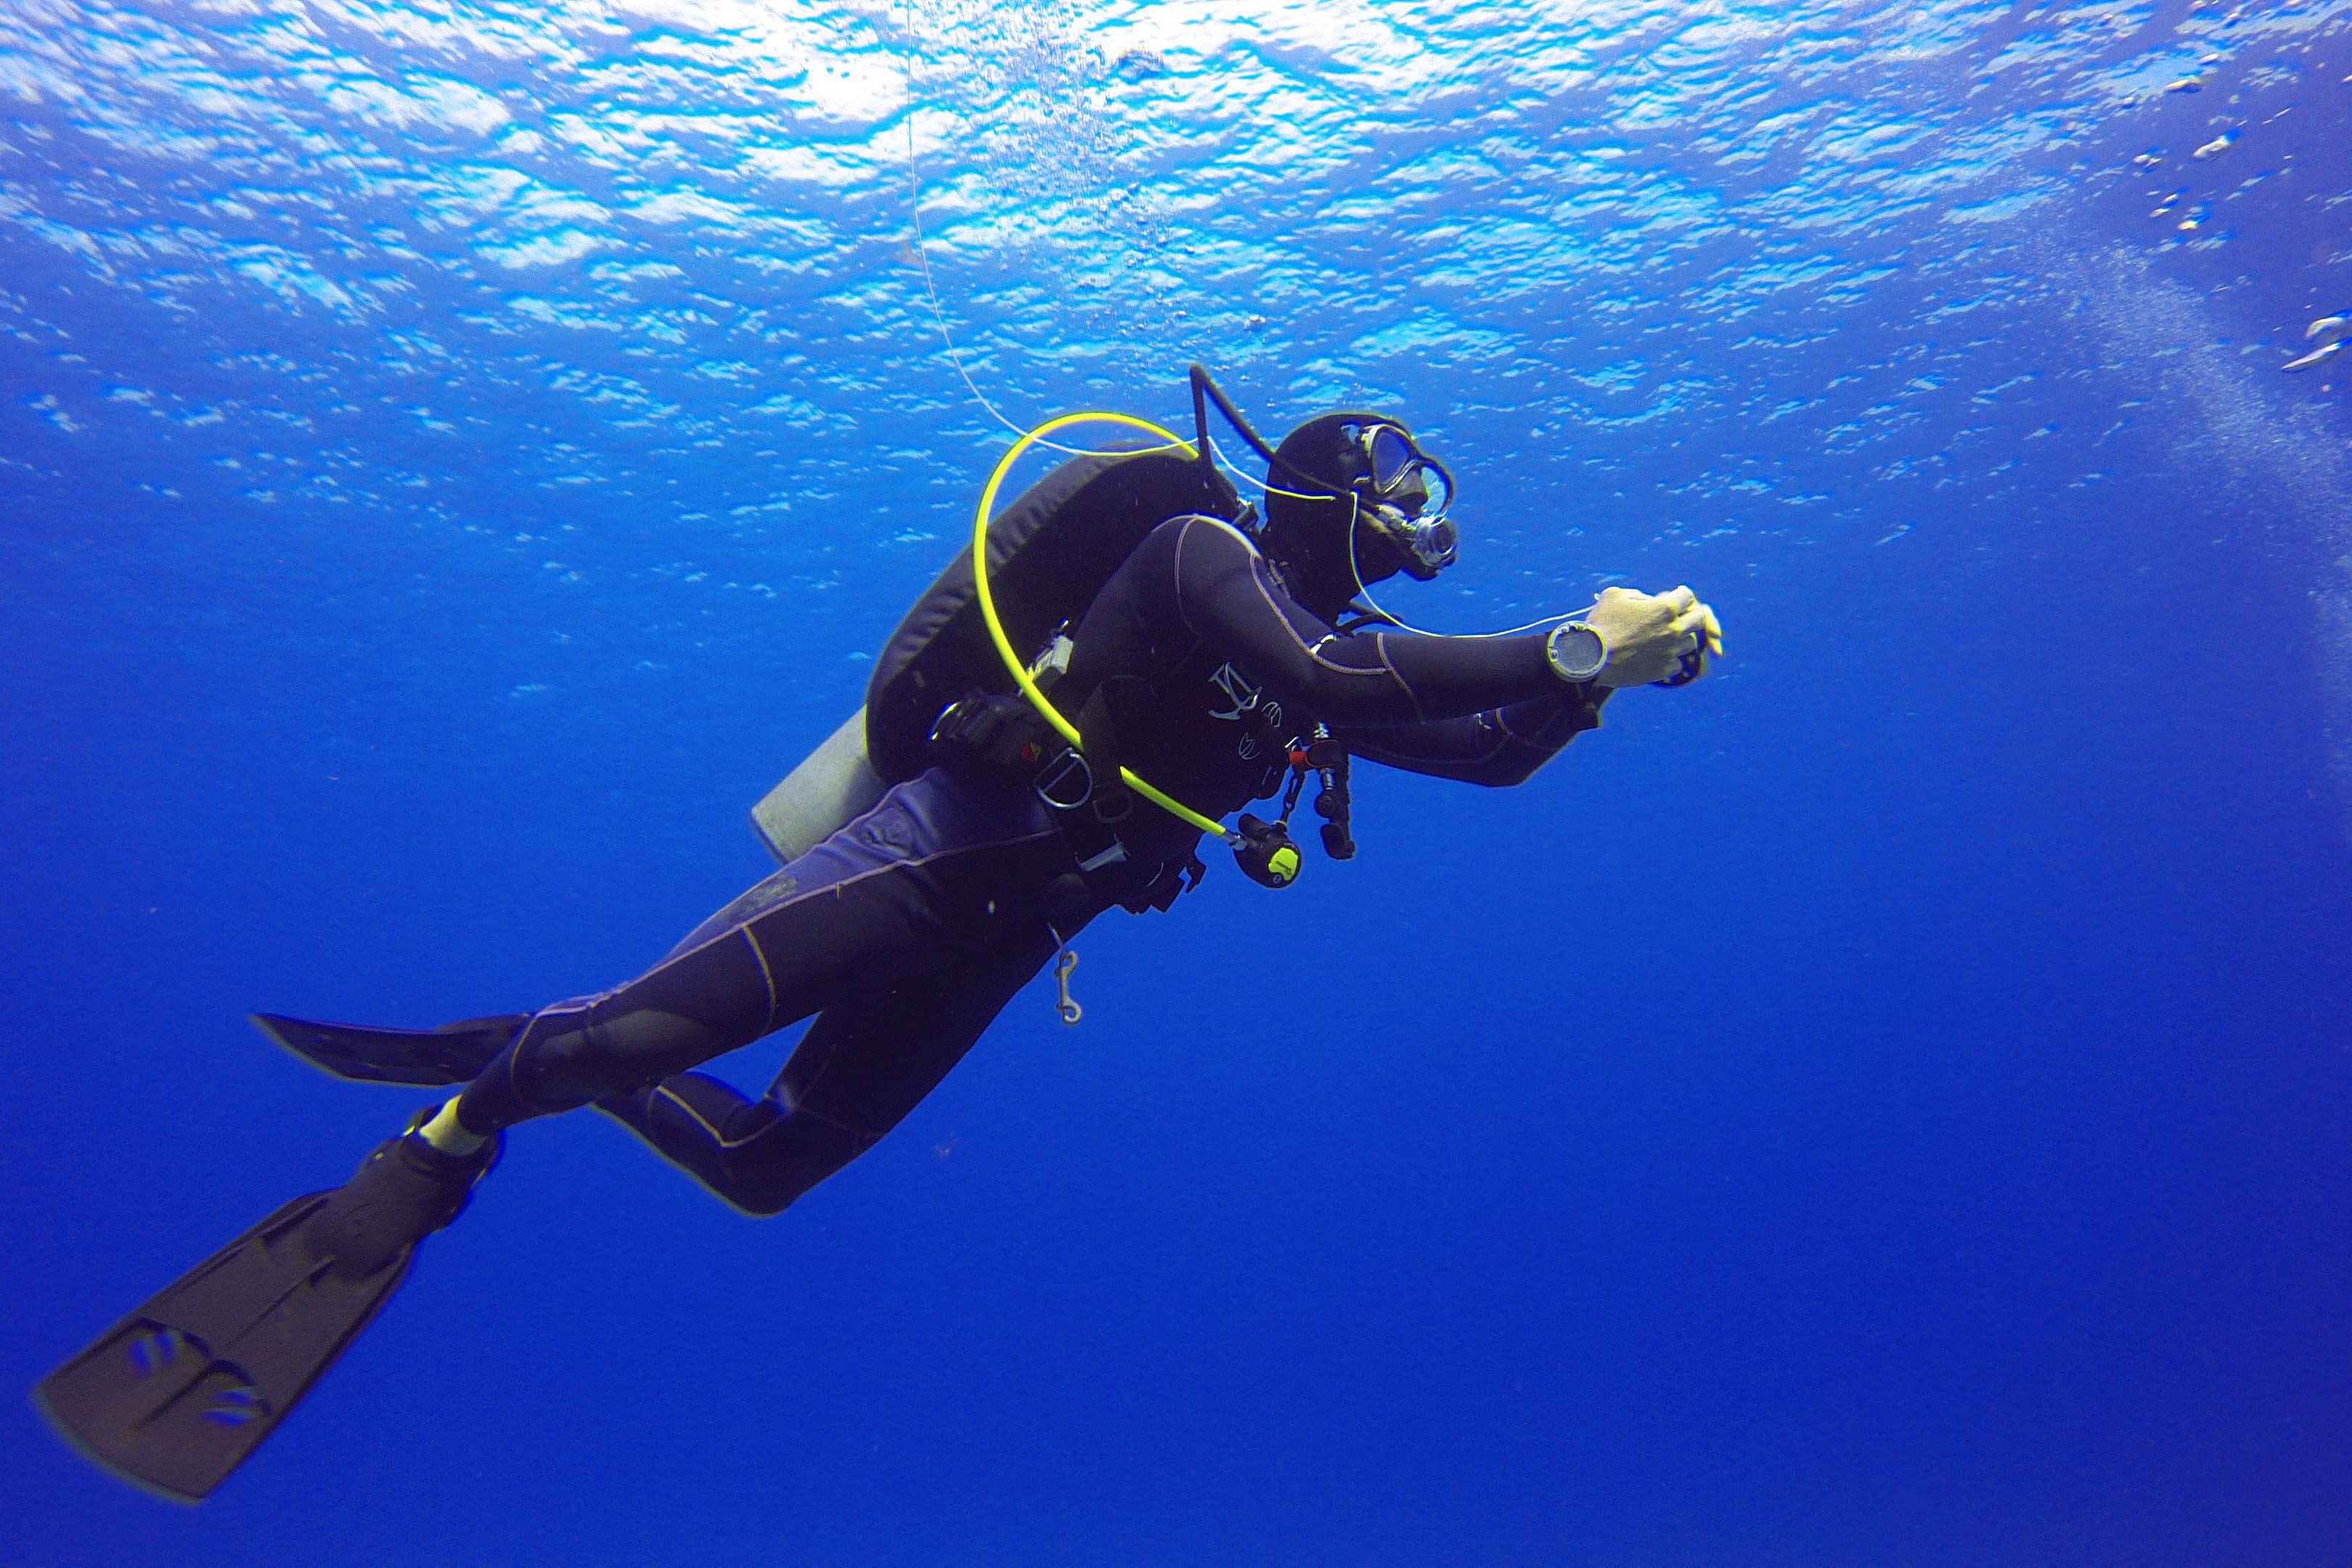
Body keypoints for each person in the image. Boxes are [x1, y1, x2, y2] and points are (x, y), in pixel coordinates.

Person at [36, 370, 1722, 1500]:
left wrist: (1600, 693)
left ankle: (546, 1037)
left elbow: (1481, 751)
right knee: (628, 1047)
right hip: (942, 851)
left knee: (769, 1166)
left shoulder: (1335, 644)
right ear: (1333, 488)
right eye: (1406, 484)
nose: (1426, 514)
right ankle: (458, 1129)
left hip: (1011, 929)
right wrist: (1579, 641)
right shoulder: (1205, 547)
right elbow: (1338, 683)